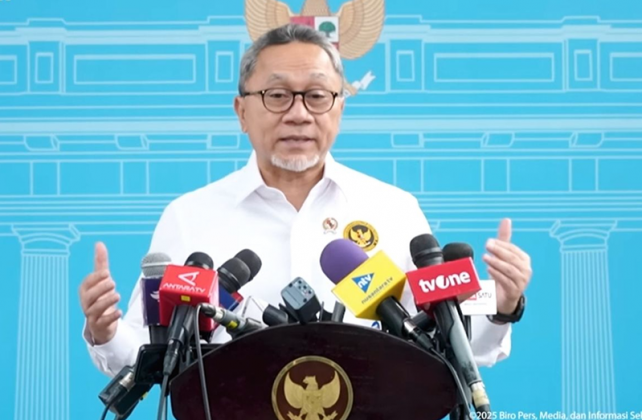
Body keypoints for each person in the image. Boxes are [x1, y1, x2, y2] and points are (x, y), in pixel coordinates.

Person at [79, 23, 533, 378]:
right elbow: (146, 354)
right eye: (277, 95)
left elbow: (453, 347)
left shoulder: (394, 209)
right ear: (241, 111)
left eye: (316, 96)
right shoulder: (189, 218)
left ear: (339, 109)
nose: (298, 113)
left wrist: (502, 305)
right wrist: (106, 331)